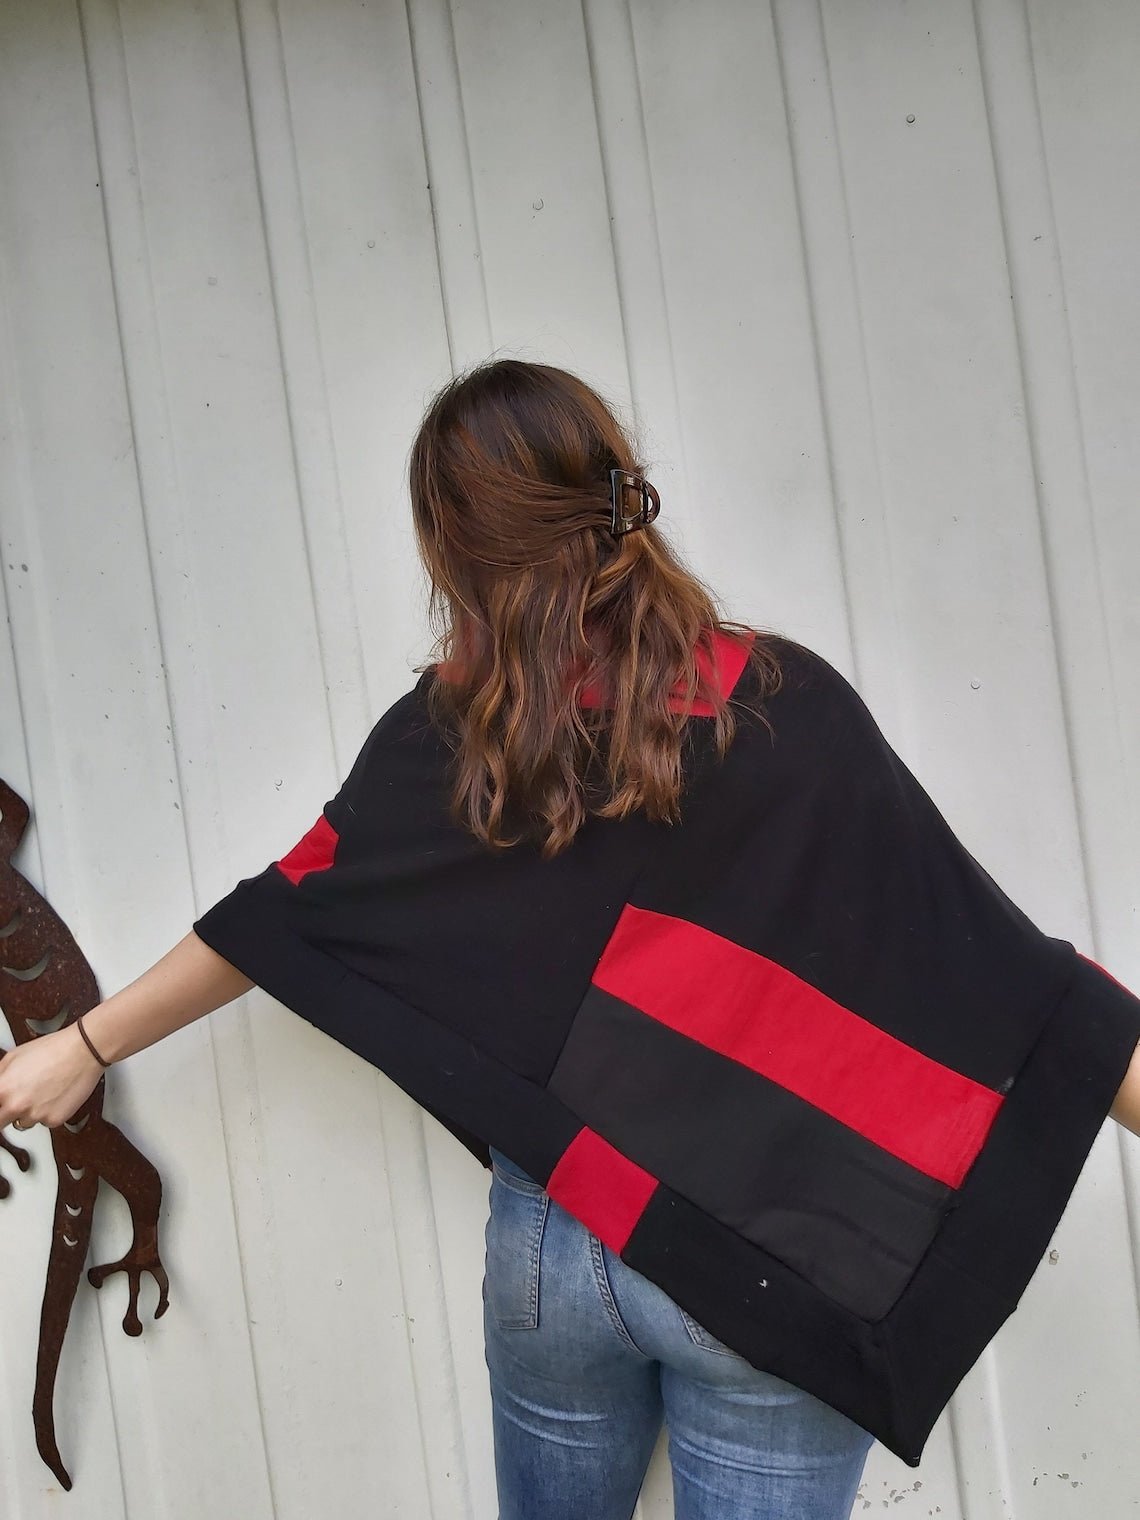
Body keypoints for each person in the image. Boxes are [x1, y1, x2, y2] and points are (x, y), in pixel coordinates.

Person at [2, 358, 1138, 1520]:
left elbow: (279, 908)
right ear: (618, 493)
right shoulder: (788, 708)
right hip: (769, 1269)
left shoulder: (451, 739)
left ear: (452, 549)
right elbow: (1005, 978)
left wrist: (82, 1041)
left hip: (554, 1251)